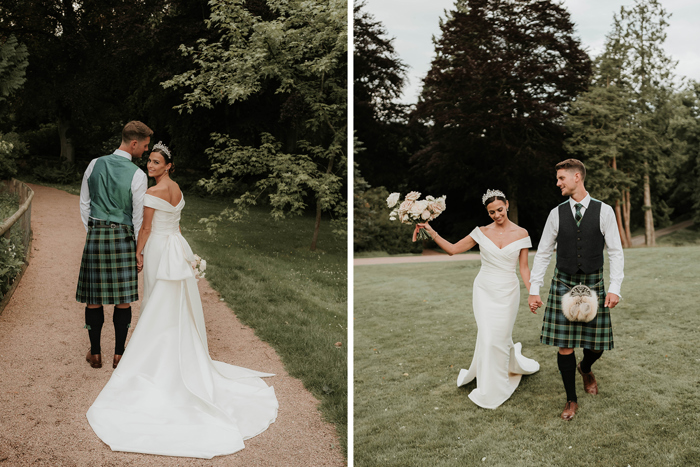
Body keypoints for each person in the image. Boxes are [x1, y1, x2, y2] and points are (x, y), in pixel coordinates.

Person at [86, 142, 278, 458]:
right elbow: (176, 223)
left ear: (168, 166)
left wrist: (136, 253)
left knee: (156, 301)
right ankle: (176, 346)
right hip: (176, 245)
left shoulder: (153, 192)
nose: (150, 165)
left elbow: (146, 228)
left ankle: (155, 356)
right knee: (174, 302)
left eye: (156, 162)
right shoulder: (177, 190)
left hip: (160, 248)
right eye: (149, 160)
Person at [415, 189, 539, 409]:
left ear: (507, 205)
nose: (497, 215)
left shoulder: (521, 234)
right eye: (492, 212)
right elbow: (453, 250)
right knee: (488, 337)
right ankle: (491, 387)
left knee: (499, 338)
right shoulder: (481, 232)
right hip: (484, 290)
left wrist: (532, 292)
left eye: (500, 210)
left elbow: (524, 268)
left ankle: (501, 375)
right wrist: (431, 232)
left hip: (508, 292)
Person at [528, 158, 624, 421]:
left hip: (594, 283)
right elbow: (543, 252)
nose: (557, 183)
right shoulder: (555, 213)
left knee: (597, 345)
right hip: (563, 283)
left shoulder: (604, 211)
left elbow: (615, 251)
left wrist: (615, 288)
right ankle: (571, 400)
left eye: (561, 178)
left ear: (577, 177)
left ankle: (586, 367)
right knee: (564, 345)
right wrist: (534, 289)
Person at [77, 121, 151, 369]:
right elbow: (138, 218)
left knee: (93, 298)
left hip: (96, 236)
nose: (145, 151)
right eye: (144, 146)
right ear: (133, 143)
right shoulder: (138, 175)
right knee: (123, 299)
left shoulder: (93, 164)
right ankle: (119, 354)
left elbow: (84, 204)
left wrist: (95, 233)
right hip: (122, 238)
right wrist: (138, 250)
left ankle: (95, 353)